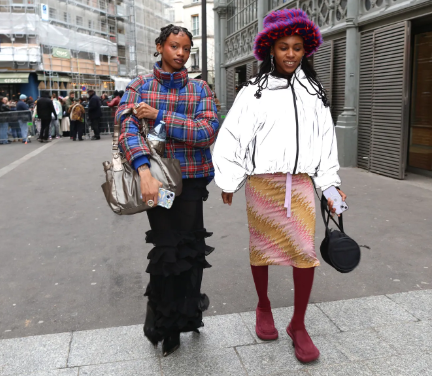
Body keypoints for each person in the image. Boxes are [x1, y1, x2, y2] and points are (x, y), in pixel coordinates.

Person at [212, 9, 347, 364]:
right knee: (262, 250)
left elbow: (324, 142)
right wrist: (229, 179)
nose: (290, 54)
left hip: (301, 183)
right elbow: (233, 137)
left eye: (297, 47)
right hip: (263, 185)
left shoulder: (314, 93)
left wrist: (330, 186)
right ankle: (263, 306)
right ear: (271, 49)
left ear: (306, 50)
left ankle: (298, 325)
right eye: (284, 47)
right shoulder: (252, 92)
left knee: (304, 254)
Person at [116, 24, 219, 356]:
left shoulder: (200, 89)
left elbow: (205, 131)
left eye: (186, 49)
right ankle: (162, 320)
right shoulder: (139, 87)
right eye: (174, 46)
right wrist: (143, 170)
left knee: (190, 252)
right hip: (155, 181)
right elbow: (127, 129)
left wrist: (159, 115)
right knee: (166, 251)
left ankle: (183, 319)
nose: (180, 53)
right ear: (159, 47)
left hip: (190, 182)